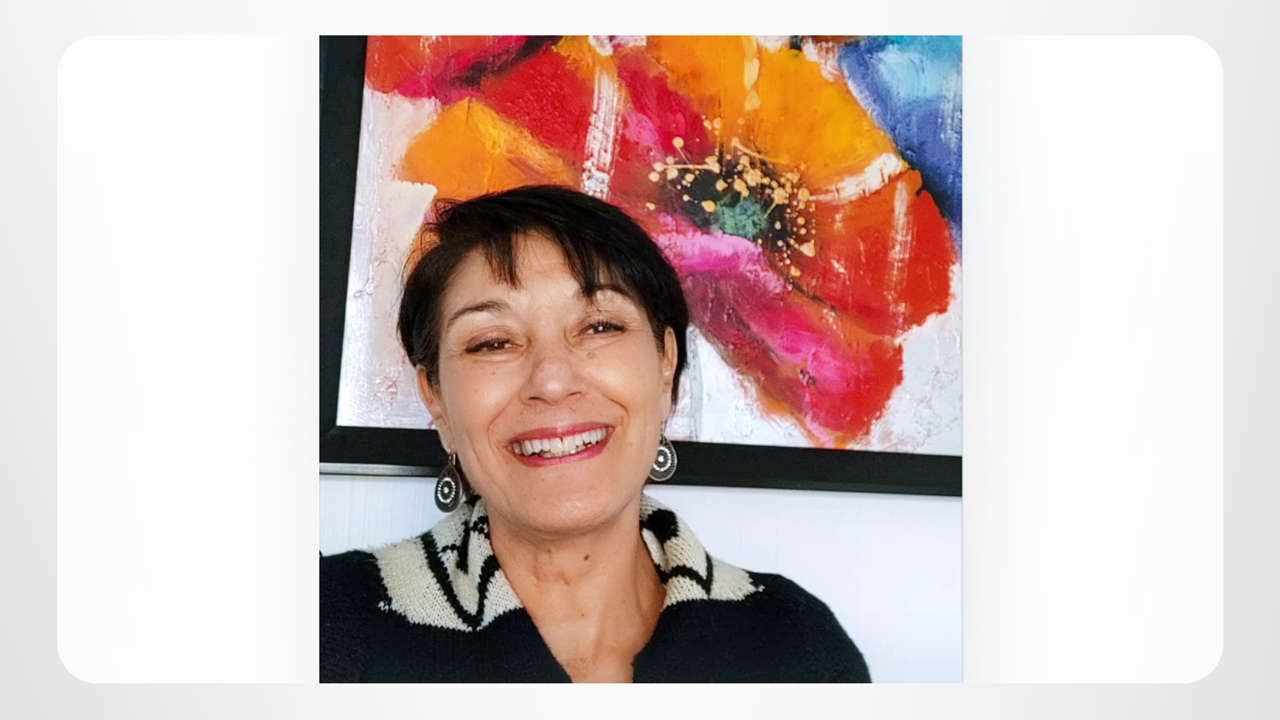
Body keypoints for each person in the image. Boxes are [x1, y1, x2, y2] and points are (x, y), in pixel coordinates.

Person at [320, 185, 870, 682]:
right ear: (435, 396)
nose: (552, 381)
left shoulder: (795, 644)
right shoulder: (322, 627)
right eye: (492, 342)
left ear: (665, 364)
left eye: (600, 326)